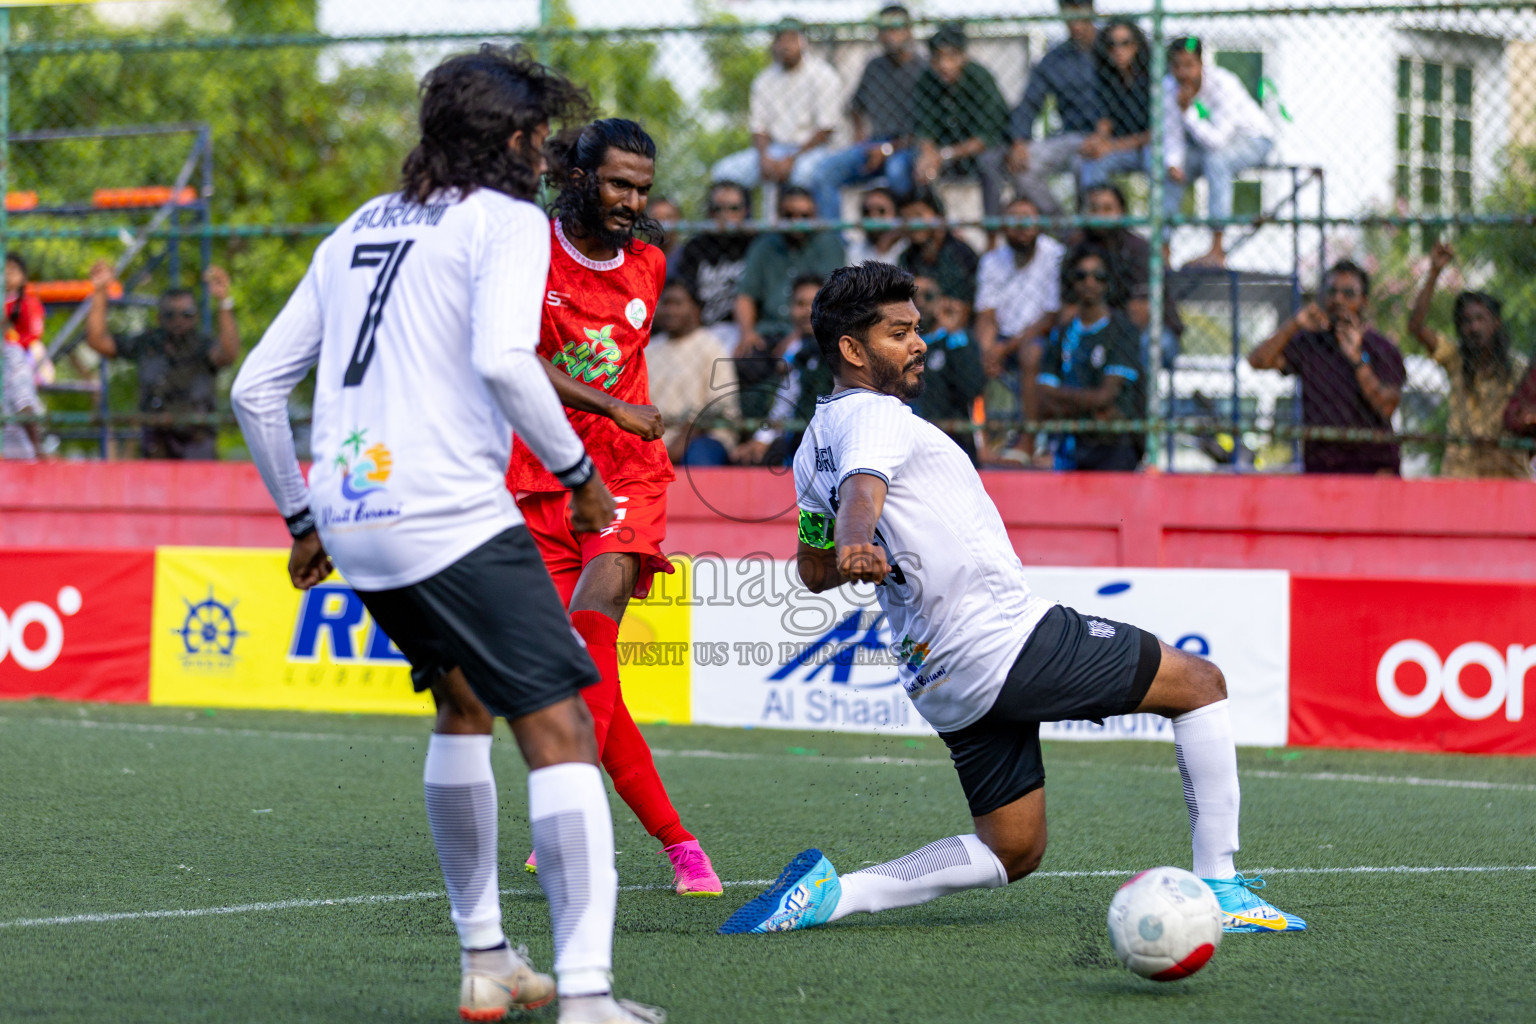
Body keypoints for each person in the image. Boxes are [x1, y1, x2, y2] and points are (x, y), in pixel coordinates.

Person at [229, 46, 664, 1024]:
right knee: (562, 728)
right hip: (445, 509)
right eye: (540, 136)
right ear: (512, 139)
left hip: (356, 515)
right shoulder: (503, 221)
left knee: (463, 706)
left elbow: (254, 389)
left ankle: (488, 959)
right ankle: (589, 996)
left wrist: (305, 516)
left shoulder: (354, 229)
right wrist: (583, 478)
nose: (547, 154)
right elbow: (508, 362)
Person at [718, 260, 1305, 937]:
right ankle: (1223, 887)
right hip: (1002, 641)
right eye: (900, 333)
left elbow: (813, 570)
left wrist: (851, 555)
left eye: (917, 329)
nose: (920, 344)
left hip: (937, 672)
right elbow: (861, 494)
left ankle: (835, 895)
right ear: (852, 350)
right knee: (1200, 684)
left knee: (1013, 848)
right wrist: (857, 536)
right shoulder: (872, 416)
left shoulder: (809, 447)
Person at [504, 118, 722, 896]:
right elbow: (514, 360)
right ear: (580, 177)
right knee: (581, 668)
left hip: (628, 475)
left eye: (643, 187)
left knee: (595, 620)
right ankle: (681, 844)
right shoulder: (533, 254)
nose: (633, 200)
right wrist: (609, 403)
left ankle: (562, 814)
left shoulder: (651, 265)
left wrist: (620, 420)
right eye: (619, 183)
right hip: (540, 478)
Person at [1248, 260, 1405, 475]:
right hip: (1322, 470)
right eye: (1332, 292)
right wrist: (1295, 324)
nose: (1338, 299)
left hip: (1373, 469)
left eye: (1348, 294)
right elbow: (1258, 361)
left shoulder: (1381, 348)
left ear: (1363, 302)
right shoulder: (1312, 342)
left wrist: (1358, 359)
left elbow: (1386, 406)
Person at [85, 261, 240, 459]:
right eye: (170, 315)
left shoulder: (203, 345)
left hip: (197, 446)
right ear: (159, 318)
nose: (178, 321)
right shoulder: (148, 343)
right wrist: (99, 291)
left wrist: (223, 301)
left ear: (196, 317)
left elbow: (229, 353)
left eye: (186, 314)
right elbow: (98, 340)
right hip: (155, 445)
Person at [1408, 242, 1528, 479]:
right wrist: (1434, 273)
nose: (1473, 327)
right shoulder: (1456, 359)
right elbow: (1416, 327)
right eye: (1466, 321)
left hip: (1506, 476)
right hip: (1460, 476)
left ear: (1496, 323)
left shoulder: (1518, 369)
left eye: (1480, 319)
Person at [1162, 37, 1276, 268]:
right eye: (1177, 66)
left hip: (1254, 139)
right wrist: (1174, 164)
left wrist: (1188, 112)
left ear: (1201, 64)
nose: (1182, 73)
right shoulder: (1169, 87)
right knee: (1171, 169)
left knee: (1217, 162)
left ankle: (1216, 249)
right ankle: (1163, 249)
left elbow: (1218, 140)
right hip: (1205, 145)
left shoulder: (1224, 84)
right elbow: (1172, 135)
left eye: (1189, 65)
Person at [734, 186, 845, 417]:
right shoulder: (765, 246)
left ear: (815, 216)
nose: (797, 222)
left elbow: (833, 302)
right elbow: (745, 296)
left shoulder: (829, 246)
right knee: (746, 363)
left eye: (804, 216)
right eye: (789, 215)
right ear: (778, 216)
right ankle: (749, 431)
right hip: (768, 332)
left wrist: (797, 333)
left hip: (812, 331)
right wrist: (747, 333)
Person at [1036, 242, 1146, 471]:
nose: (1089, 283)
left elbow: (1106, 396)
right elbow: (1044, 397)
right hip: (1071, 443)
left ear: (1109, 282)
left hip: (1113, 446)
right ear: (1072, 280)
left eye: (1099, 276)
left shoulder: (1122, 331)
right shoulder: (1063, 332)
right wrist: (1092, 405)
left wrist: (1063, 399)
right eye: (1081, 275)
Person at [809, 5, 922, 219]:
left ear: (909, 31)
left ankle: (900, 240)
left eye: (895, 29)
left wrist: (887, 150)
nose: (889, 36)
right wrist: (861, 138)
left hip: (908, 147)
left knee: (897, 172)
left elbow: (927, 131)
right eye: (884, 29)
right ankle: (835, 243)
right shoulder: (874, 66)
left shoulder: (924, 69)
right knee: (824, 171)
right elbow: (855, 107)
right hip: (875, 144)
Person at [711, 18, 840, 196]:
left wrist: (792, 159)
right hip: (774, 150)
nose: (785, 45)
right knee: (725, 171)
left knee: (802, 174)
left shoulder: (823, 75)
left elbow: (826, 129)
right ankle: (742, 223)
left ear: (803, 42)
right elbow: (759, 128)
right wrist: (764, 158)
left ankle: (805, 223)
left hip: (813, 151)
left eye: (791, 39)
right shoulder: (764, 80)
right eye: (780, 40)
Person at [1002, 0, 1102, 216]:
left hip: (1111, 137)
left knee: (1083, 164)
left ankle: (1090, 230)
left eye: (1079, 11)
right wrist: (1019, 142)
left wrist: (1104, 136)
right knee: (1023, 166)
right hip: (1071, 137)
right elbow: (1029, 103)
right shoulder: (1055, 59)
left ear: (1092, 10)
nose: (1074, 21)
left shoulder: (1112, 48)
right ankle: (1065, 228)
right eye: (1068, 12)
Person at [912, 22, 1012, 218]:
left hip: (980, 149)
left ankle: (991, 229)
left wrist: (943, 155)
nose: (944, 65)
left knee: (988, 164)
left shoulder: (979, 78)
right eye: (938, 58)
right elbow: (924, 127)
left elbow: (987, 136)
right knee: (918, 167)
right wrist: (928, 155)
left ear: (963, 56)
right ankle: (937, 227)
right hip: (946, 150)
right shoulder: (927, 79)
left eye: (951, 57)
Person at [1076, 182, 1184, 365]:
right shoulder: (1079, 248)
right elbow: (1069, 309)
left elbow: (1139, 315)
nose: (1100, 216)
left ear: (1122, 212)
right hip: (1094, 326)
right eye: (1094, 209)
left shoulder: (1138, 249)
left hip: (1150, 330)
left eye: (1108, 209)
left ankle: (1140, 394)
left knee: (1144, 345)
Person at [735, 274, 828, 467]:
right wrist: (762, 439)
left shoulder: (838, 348)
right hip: (795, 436)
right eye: (800, 304)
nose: (806, 311)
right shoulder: (792, 350)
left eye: (814, 303)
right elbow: (785, 402)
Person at [648, 279, 740, 466]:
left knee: (699, 457)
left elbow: (719, 407)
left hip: (704, 435)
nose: (670, 311)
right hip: (655, 436)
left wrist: (683, 439)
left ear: (695, 310)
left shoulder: (711, 346)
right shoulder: (649, 349)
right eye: (666, 303)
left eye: (678, 304)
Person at [975, 195, 1064, 379]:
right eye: (1014, 218)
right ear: (1003, 226)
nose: (1021, 224)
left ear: (1039, 223)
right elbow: (986, 313)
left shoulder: (1055, 255)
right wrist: (988, 351)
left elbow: (1050, 317)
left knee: (1031, 353)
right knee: (971, 351)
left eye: (1027, 217)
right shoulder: (991, 260)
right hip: (1001, 337)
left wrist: (1005, 349)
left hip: (1039, 337)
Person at [911, 272, 985, 465]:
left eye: (927, 296)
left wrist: (953, 333)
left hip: (953, 443)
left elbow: (971, 388)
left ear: (942, 301)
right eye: (913, 297)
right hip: (910, 444)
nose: (920, 302)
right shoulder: (900, 345)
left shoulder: (957, 341)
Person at [671, 181, 754, 350]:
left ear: (745, 211)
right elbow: (686, 292)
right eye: (718, 209)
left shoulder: (754, 244)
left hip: (743, 328)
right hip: (703, 328)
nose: (725, 215)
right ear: (710, 212)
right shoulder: (695, 247)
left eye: (733, 209)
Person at [1079, 19, 1152, 188]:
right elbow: (1105, 121)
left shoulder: (1153, 76)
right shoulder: (1108, 78)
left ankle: (1159, 214)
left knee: (1153, 159)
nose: (1118, 50)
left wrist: (1112, 145)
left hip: (1151, 147)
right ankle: (1099, 212)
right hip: (1123, 147)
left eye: (1125, 43)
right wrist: (1097, 142)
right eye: (1112, 44)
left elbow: (1157, 133)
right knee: (1091, 163)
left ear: (1136, 45)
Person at [897, 189, 979, 319]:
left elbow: (967, 303)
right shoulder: (906, 257)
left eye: (918, 216)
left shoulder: (960, 253)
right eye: (906, 218)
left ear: (939, 217)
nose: (913, 224)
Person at [1, 253, 46, 459]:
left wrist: (13, 341)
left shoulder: (27, 302)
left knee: (22, 398)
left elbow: (33, 334)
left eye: (12, 270)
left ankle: (37, 448)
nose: (7, 275)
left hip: (20, 356)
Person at [843, 186, 909, 267]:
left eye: (881, 211)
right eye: (867, 212)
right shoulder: (855, 250)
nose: (873, 217)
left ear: (897, 213)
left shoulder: (908, 248)